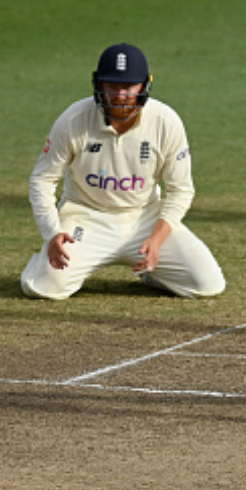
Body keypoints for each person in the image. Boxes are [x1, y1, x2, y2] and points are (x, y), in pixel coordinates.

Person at [20, 43, 225, 301]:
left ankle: (153, 273)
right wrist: (52, 233)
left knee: (208, 284)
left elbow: (181, 190)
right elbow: (42, 179)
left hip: (145, 218)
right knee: (43, 288)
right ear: (98, 84)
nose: (120, 95)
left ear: (144, 86)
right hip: (86, 217)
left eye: (128, 87)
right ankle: (41, 262)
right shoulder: (74, 119)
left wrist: (158, 238)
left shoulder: (165, 121)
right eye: (112, 86)